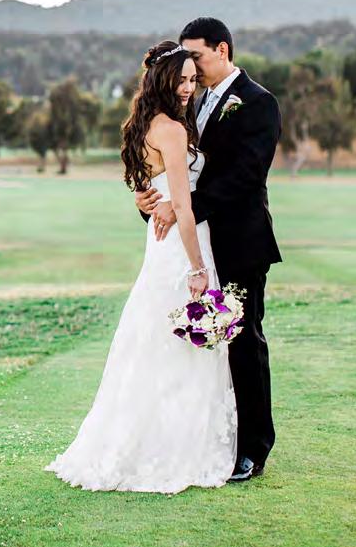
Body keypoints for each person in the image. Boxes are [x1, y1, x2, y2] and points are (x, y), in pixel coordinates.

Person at [44, 39, 236, 494]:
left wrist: (149, 203)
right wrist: (197, 268)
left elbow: (152, 192)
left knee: (156, 339)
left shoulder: (146, 125)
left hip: (160, 245)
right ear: (163, 80)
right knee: (181, 344)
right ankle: (174, 449)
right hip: (182, 246)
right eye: (182, 80)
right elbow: (183, 207)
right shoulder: (172, 130)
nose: (188, 87)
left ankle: (144, 441)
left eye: (193, 79)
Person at [136, 17, 282, 482]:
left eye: (196, 56)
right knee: (198, 347)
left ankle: (253, 449)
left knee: (243, 342)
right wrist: (151, 204)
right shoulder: (191, 104)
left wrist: (183, 209)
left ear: (222, 50)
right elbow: (174, 174)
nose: (191, 68)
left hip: (240, 242)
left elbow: (246, 177)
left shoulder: (259, 103)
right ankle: (205, 440)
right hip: (193, 245)